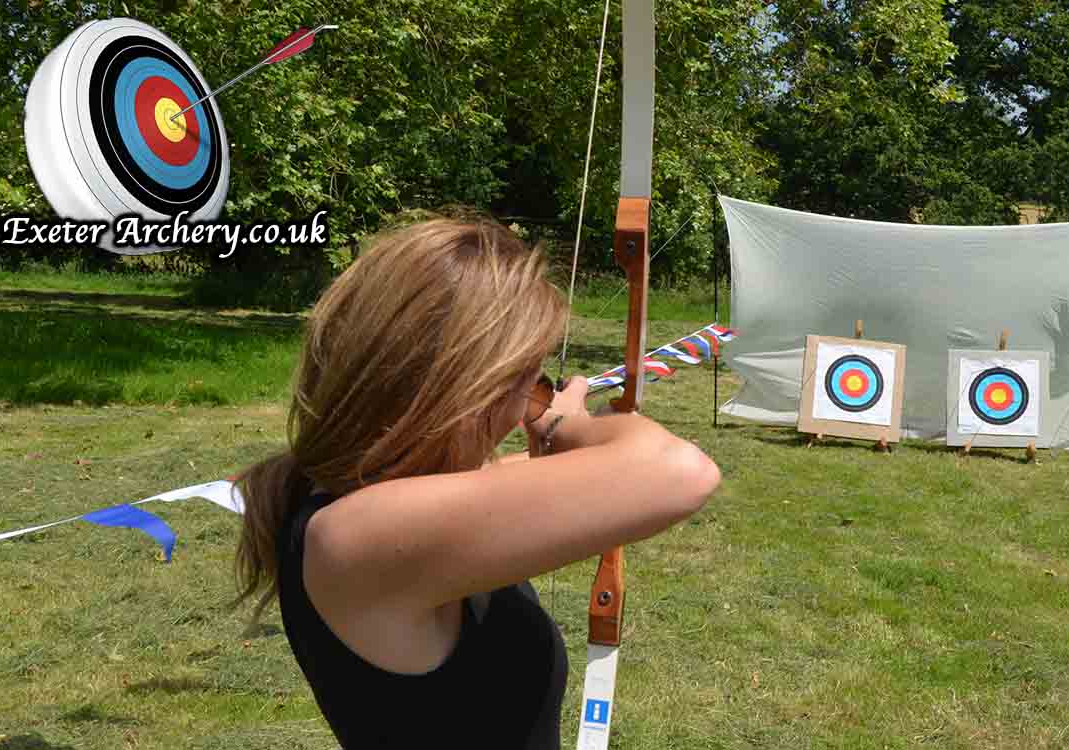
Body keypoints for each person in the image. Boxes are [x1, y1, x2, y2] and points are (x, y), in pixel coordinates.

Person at [232, 219, 721, 748]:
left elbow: (564, 477)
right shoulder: (350, 536)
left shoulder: (377, 497)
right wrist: (563, 422)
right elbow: (678, 470)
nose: (524, 413)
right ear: (464, 389)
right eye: (528, 386)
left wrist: (556, 435)